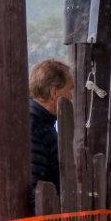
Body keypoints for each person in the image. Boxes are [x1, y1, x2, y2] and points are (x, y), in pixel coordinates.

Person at [29, 59, 73, 207]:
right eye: (69, 90)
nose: (71, 97)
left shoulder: (38, 124)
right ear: (54, 92)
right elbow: (33, 189)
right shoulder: (35, 128)